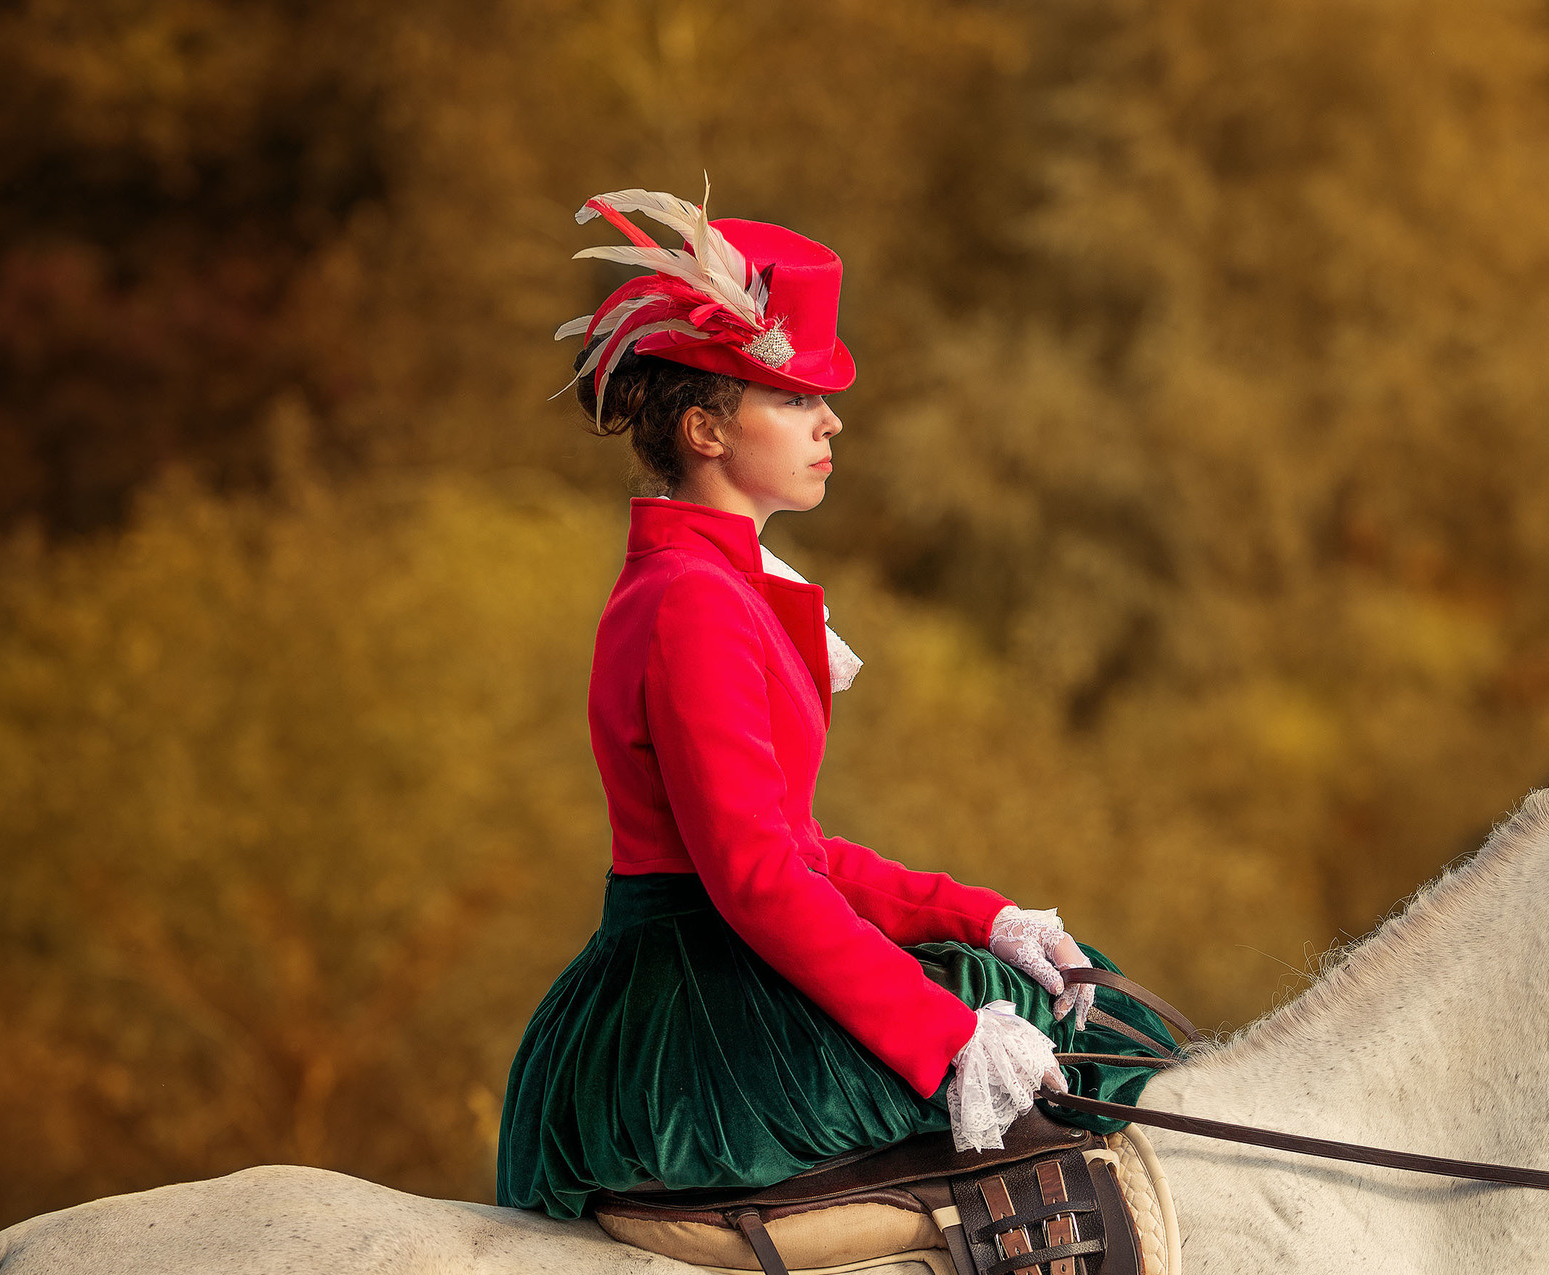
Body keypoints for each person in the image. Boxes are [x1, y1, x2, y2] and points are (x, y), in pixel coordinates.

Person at [497, 187, 1172, 1220]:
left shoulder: (718, 586)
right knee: (1065, 1060)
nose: (831, 421)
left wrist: (976, 915)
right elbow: (759, 878)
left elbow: (792, 843)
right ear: (703, 429)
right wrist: (945, 1035)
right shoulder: (693, 602)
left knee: (1089, 1008)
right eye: (794, 400)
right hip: (698, 1013)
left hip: (720, 962)